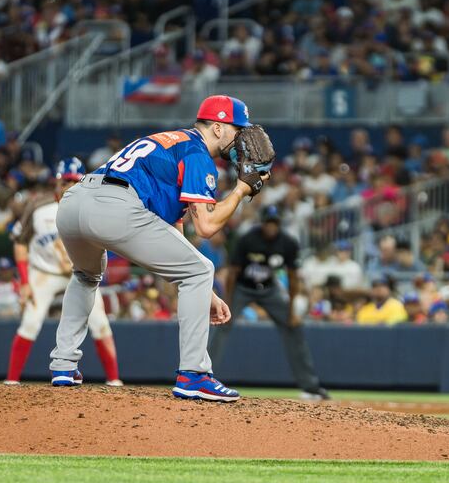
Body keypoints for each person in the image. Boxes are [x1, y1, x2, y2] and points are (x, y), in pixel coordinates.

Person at [48, 95, 267, 402]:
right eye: (236, 128)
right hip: (115, 206)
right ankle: (194, 375)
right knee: (202, 269)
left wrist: (207, 294)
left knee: (85, 275)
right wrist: (242, 189)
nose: (241, 138)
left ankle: (63, 365)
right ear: (217, 128)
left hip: (74, 203)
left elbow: (172, 236)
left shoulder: (170, 140)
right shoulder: (197, 153)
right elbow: (206, 227)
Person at [4, 158, 122, 387]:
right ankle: (11, 381)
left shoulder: (94, 205)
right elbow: (20, 242)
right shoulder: (38, 206)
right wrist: (25, 281)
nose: (69, 185)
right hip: (44, 272)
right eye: (65, 181)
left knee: (100, 323)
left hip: (80, 272)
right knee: (30, 322)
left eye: (75, 181)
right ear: (56, 183)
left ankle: (114, 380)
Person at [209, 205, 329, 400]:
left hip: (269, 289)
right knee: (221, 324)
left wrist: (291, 311)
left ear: (279, 224)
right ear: (262, 223)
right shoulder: (248, 239)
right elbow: (232, 273)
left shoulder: (287, 243)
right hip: (242, 288)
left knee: (294, 328)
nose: (271, 227)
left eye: (275, 223)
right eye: (268, 223)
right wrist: (228, 301)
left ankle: (310, 386)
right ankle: (204, 376)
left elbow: (293, 277)